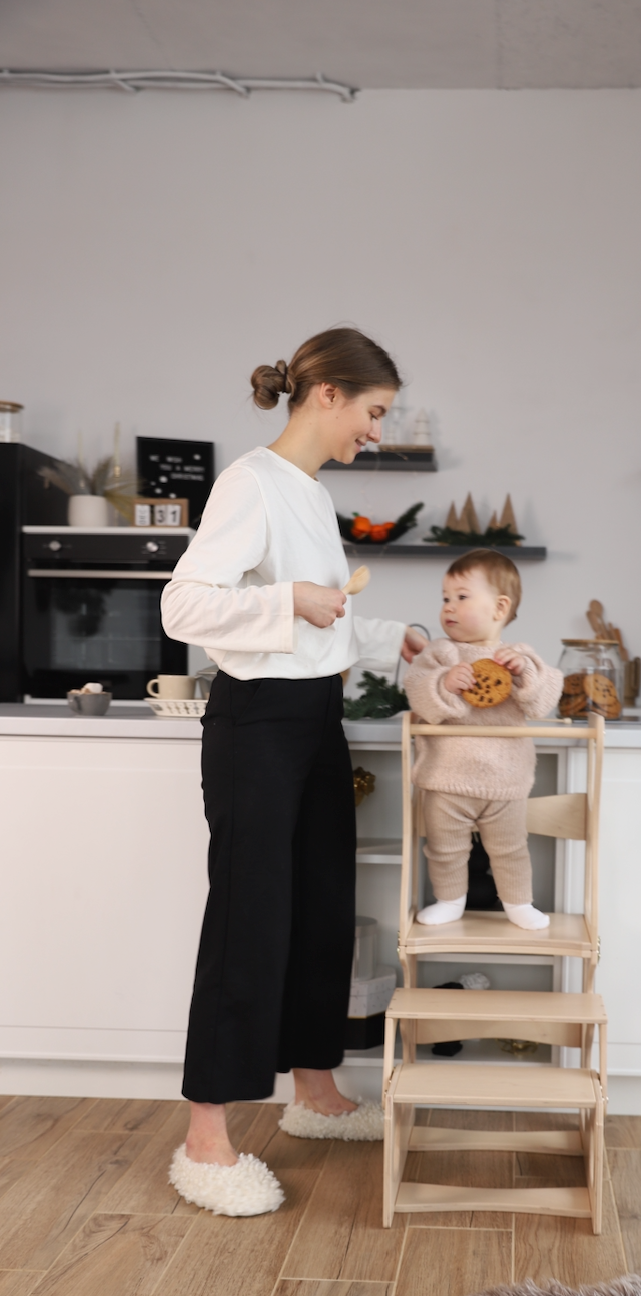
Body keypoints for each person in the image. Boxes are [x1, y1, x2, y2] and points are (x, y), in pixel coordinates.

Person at [160, 326, 426, 1216]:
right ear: (328, 395)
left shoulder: (309, 493)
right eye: (374, 412)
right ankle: (205, 1140)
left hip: (315, 719)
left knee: (320, 905)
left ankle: (315, 1092)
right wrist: (288, 600)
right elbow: (184, 605)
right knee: (251, 918)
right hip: (259, 726)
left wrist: (397, 638)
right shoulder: (250, 482)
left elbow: (327, 624)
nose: (376, 432)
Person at [403, 550, 562, 931]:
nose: (449, 607)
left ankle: (519, 903)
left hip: (505, 780)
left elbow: (543, 703)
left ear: (499, 607)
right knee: (444, 848)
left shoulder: (519, 656)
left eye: (461, 596)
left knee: (509, 849)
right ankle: (450, 900)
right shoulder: (440, 653)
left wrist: (525, 674)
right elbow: (417, 694)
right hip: (446, 777)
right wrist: (443, 683)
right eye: (445, 598)